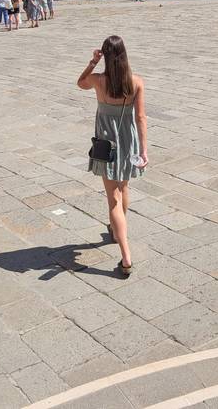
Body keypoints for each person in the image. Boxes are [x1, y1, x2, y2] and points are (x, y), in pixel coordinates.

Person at [77, 35, 148, 276]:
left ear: (106, 56)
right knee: (124, 188)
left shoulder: (98, 81)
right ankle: (118, 230)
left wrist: (93, 62)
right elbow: (140, 118)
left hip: (106, 144)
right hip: (128, 143)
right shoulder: (136, 82)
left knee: (113, 198)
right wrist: (144, 150)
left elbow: (80, 82)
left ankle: (126, 255)